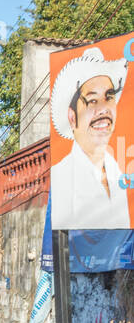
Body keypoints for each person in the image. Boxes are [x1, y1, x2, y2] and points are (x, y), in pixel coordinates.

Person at [50, 46, 129, 228]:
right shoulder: (61, 176)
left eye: (109, 97)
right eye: (92, 101)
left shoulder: (118, 171)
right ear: (72, 117)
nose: (103, 109)